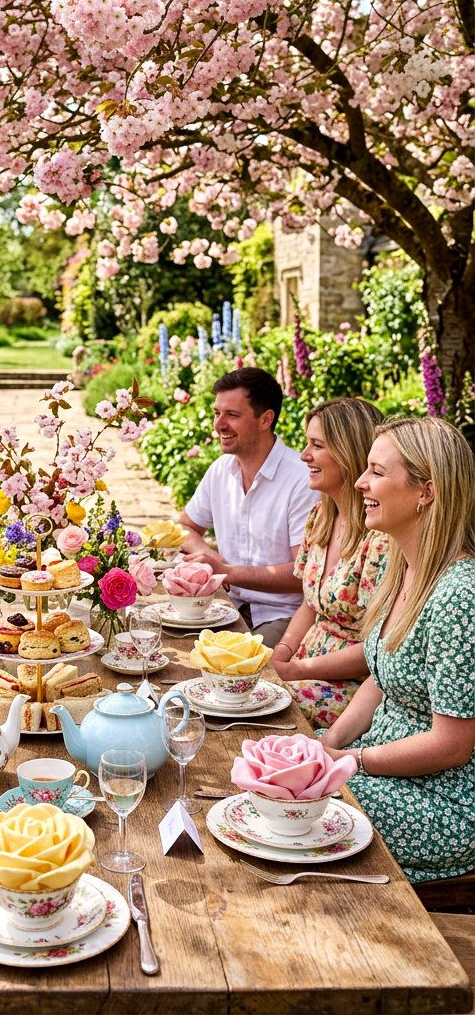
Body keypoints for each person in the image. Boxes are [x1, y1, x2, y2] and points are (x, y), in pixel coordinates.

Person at [322, 416, 475, 883]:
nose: (361, 482)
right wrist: (327, 745)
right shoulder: (402, 566)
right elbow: (379, 678)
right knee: (282, 786)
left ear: (425, 492)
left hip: (441, 801)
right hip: (384, 768)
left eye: (377, 472)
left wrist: (351, 762)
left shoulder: (459, 593)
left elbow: (452, 744)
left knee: (294, 807)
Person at [177, 367, 317, 647]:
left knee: (231, 670)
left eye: (232, 415)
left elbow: (304, 574)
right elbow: (185, 527)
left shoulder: (301, 479)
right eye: (217, 413)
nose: (219, 424)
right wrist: (210, 560)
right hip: (227, 607)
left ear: (266, 419)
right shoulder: (221, 470)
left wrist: (226, 571)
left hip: (283, 616)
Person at [270, 398, 388, 727]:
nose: (304, 455)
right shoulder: (320, 517)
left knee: (257, 706)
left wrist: (294, 671)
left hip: (352, 688)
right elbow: (311, 604)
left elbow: (377, 651)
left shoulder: (381, 538)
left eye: (316, 445)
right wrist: (282, 651)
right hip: (305, 663)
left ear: (348, 454)